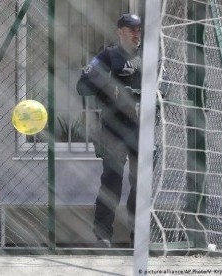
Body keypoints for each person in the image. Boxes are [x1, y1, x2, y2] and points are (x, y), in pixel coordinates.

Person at [76, 13, 142, 248]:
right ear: (120, 31)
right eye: (131, 29)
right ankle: (102, 236)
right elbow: (82, 86)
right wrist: (108, 85)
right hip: (113, 129)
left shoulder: (148, 55)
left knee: (141, 183)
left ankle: (139, 235)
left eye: (138, 29)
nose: (136, 33)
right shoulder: (108, 55)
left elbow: (164, 90)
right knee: (112, 181)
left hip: (141, 129)